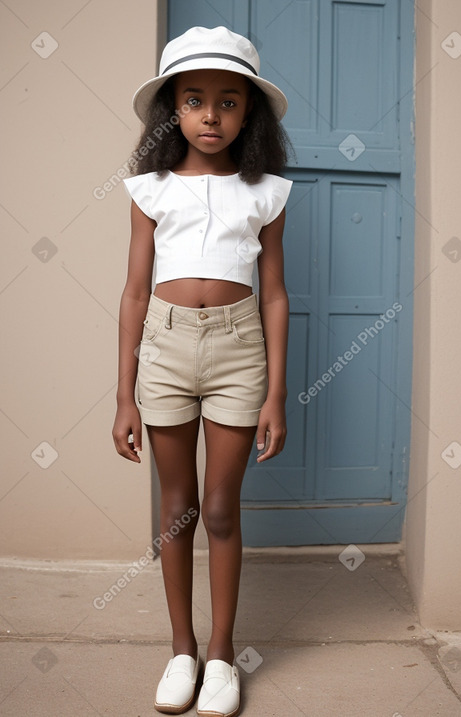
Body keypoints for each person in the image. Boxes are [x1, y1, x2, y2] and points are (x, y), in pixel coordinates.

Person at [112, 25, 293, 717]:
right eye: (194, 99)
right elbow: (133, 292)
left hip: (237, 351)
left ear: (248, 114)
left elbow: (275, 294)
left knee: (219, 508)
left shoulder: (267, 193)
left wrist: (277, 391)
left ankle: (221, 653)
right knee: (175, 509)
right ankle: (181, 647)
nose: (210, 115)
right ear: (174, 111)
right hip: (163, 348)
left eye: (227, 101)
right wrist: (123, 394)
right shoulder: (150, 189)